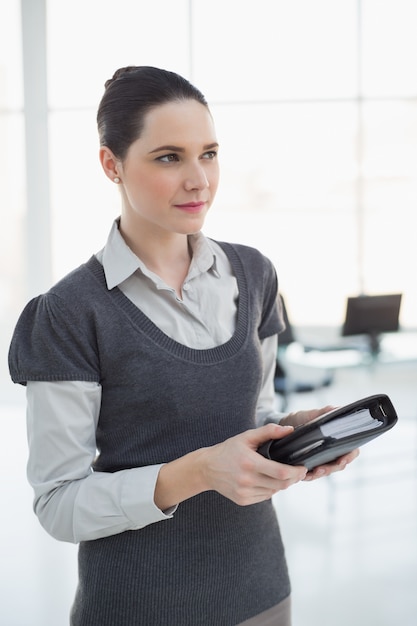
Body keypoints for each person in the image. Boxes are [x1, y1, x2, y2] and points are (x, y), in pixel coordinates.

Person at [8, 66, 358, 626]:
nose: (199, 179)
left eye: (209, 153)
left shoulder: (254, 275)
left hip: (262, 590)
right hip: (138, 607)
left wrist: (295, 433)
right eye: (169, 157)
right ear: (111, 165)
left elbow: (253, 416)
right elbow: (58, 504)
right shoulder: (69, 313)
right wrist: (199, 473)